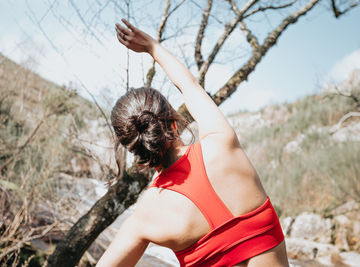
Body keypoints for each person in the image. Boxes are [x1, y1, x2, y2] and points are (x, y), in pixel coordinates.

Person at [96, 19, 289, 267]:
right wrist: (152, 47)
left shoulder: (145, 218)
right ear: (174, 123)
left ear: (135, 149)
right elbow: (189, 84)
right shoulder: (222, 143)